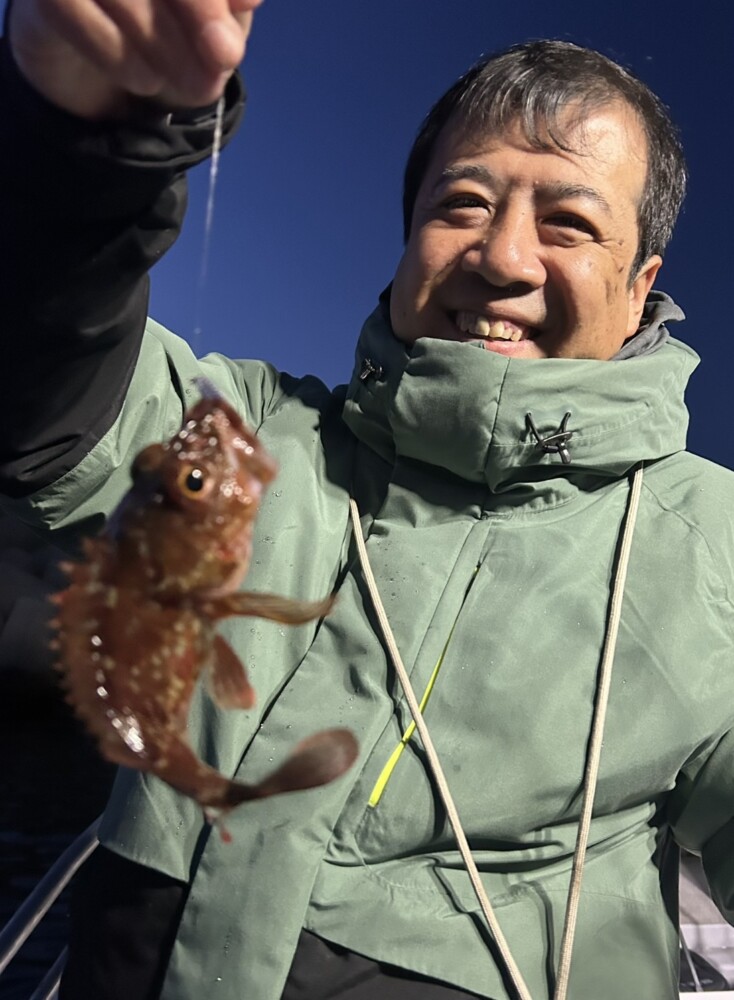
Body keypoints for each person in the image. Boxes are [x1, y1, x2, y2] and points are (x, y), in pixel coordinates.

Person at [2, 3, 733, 999]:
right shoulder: (250, 431)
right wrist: (83, 146)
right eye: (462, 204)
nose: (503, 257)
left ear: (640, 280)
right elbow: (50, 391)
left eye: (566, 221)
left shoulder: (713, 542)